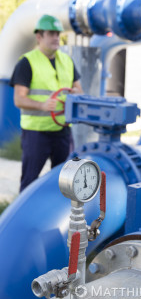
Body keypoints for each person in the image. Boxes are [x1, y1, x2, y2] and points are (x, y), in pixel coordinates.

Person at [10, 14, 83, 192]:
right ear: (39, 36)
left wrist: (75, 94)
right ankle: (24, 218)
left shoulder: (67, 61)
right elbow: (19, 99)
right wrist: (42, 105)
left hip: (62, 131)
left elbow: (79, 90)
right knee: (30, 180)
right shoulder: (27, 62)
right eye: (51, 33)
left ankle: (58, 216)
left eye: (58, 34)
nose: (56, 38)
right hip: (36, 133)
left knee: (64, 181)